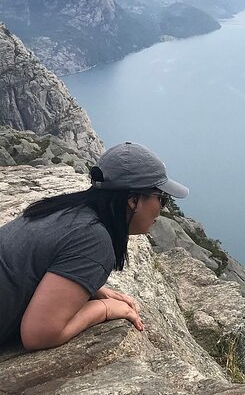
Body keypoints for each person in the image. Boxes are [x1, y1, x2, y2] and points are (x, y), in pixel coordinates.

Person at [0, 142, 188, 350]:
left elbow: (33, 262)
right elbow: (39, 334)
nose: (162, 208)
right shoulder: (94, 239)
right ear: (133, 200)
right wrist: (104, 309)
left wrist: (86, 287)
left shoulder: (66, 209)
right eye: (162, 199)